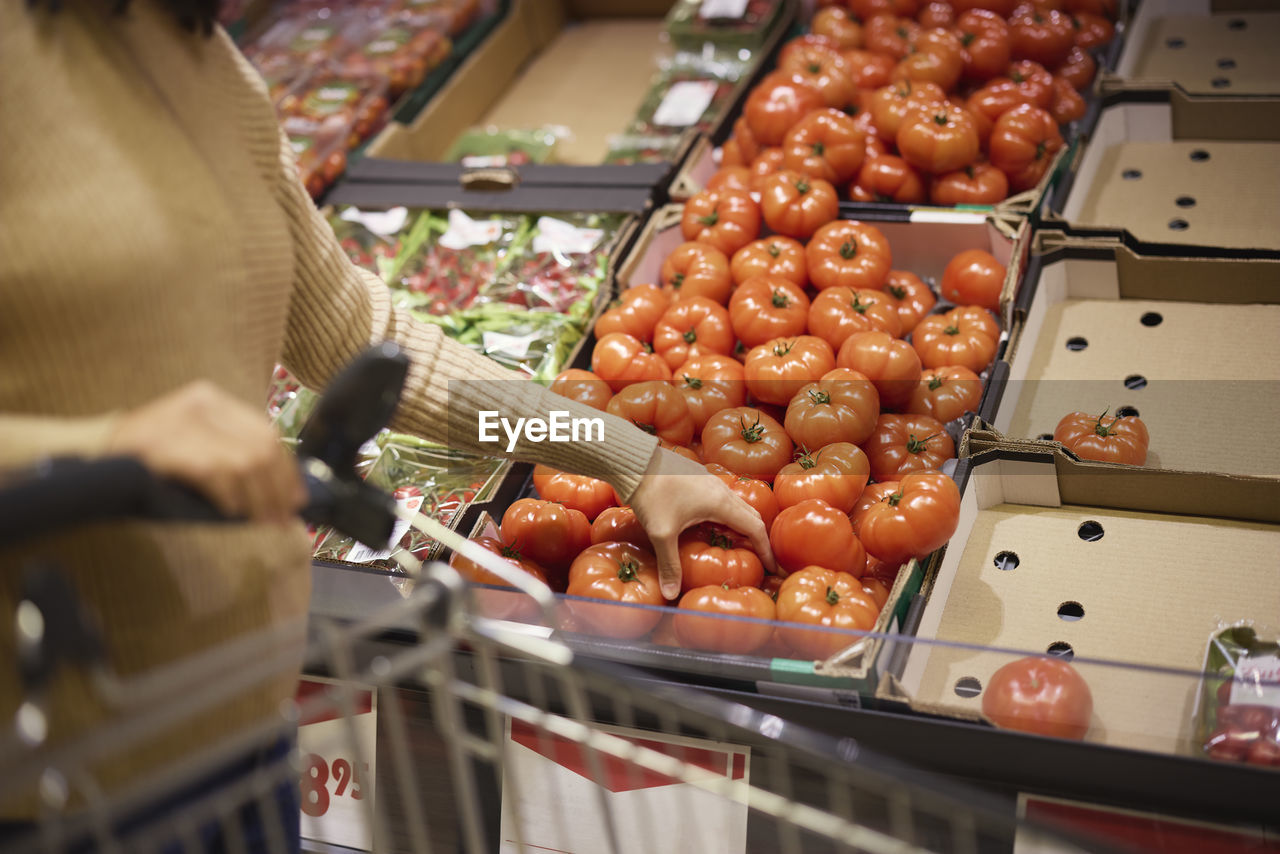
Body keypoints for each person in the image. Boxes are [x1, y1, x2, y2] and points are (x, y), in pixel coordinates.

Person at [0, 0, 773, 847]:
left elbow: (362, 337)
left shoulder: (205, 62)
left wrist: (628, 454)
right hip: (43, 764)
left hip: (232, 715)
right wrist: (103, 450)